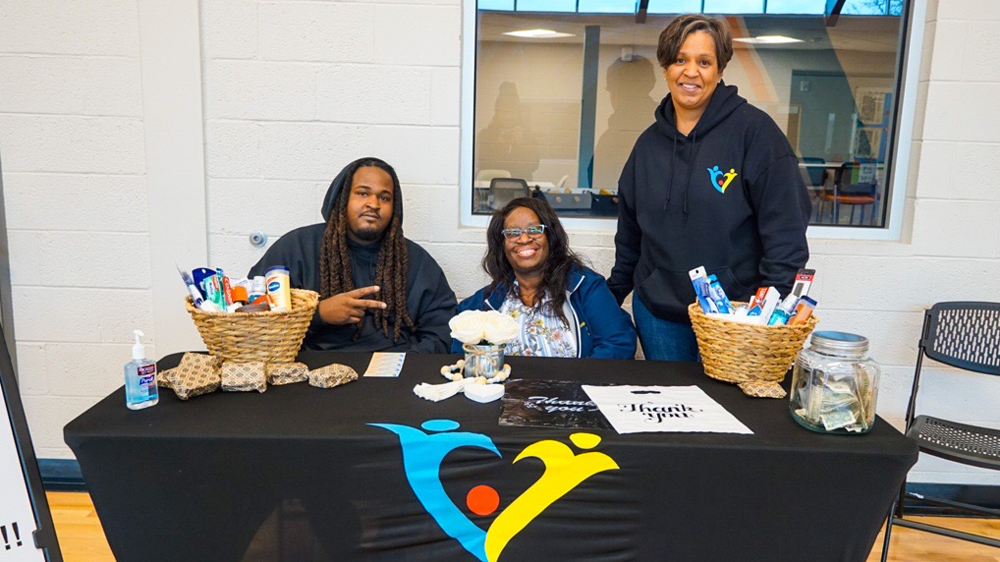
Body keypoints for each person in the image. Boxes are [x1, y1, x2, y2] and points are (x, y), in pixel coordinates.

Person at [608, 14, 811, 361]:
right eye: (680, 60)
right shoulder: (647, 146)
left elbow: (786, 233)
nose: (691, 72)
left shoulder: (756, 135)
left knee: (727, 414)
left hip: (733, 318)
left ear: (719, 70)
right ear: (666, 68)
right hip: (659, 316)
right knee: (671, 410)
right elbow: (630, 234)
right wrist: (610, 296)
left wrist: (767, 311)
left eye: (704, 62)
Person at [249, 157, 457, 353]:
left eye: (384, 197)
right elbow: (253, 316)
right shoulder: (295, 247)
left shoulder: (416, 261)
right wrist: (318, 315)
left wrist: (409, 364)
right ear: (343, 198)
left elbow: (442, 330)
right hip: (311, 369)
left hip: (395, 372)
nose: (374, 204)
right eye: (363, 193)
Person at [454, 197, 636, 359]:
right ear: (502, 245)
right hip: (507, 394)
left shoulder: (584, 286)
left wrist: (579, 382)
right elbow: (459, 336)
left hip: (573, 393)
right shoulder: (494, 298)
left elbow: (618, 342)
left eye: (534, 230)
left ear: (550, 237)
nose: (524, 239)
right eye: (512, 233)